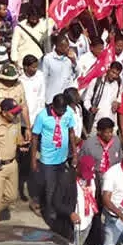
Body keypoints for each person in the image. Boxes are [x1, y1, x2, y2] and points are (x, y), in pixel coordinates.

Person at [31, 93, 80, 225]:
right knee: (50, 187)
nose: (62, 113)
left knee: (60, 186)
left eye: (64, 110)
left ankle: (58, 208)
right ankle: (50, 212)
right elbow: (35, 137)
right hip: (48, 159)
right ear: (53, 106)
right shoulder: (42, 116)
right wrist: (33, 159)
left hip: (62, 157)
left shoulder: (68, 112)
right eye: (60, 110)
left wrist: (75, 154)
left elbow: (71, 132)